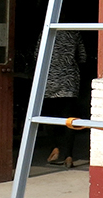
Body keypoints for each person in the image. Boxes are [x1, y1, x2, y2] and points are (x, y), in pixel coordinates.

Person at [35, 25, 87, 168]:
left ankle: (55, 147)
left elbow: (37, 55)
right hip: (69, 80)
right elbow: (82, 57)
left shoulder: (47, 31)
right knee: (69, 118)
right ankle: (69, 155)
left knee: (49, 117)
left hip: (49, 79)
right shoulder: (74, 32)